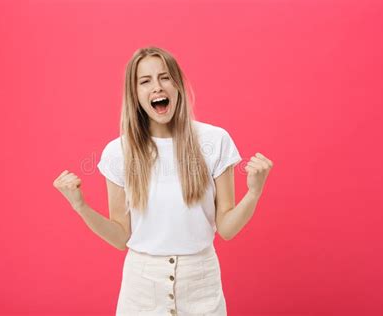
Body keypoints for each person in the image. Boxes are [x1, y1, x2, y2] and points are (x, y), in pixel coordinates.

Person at [53, 46, 274, 316]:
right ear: (135, 95)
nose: (157, 87)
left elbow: (226, 228)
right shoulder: (118, 152)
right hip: (141, 288)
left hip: (201, 282)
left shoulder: (215, 141)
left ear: (177, 84)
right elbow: (121, 236)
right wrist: (81, 206)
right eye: (145, 81)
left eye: (165, 77)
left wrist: (254, 193)